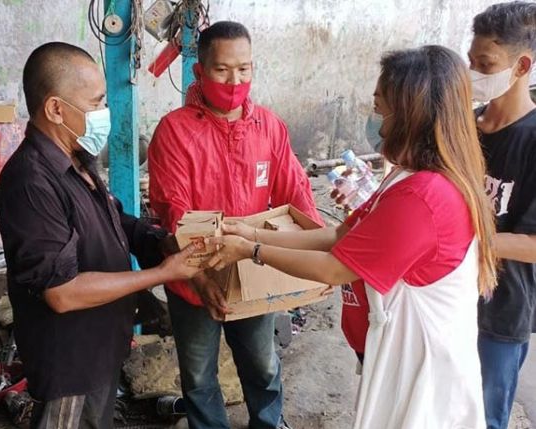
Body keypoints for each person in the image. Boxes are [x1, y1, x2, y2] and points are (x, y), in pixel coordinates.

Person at [207, 45, 498, 429]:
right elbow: (339, 236)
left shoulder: (425, 196)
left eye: (381, 110)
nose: (375, 120)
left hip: (422, 368)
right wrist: (253, 231)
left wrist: (251, 249)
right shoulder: (404, 176)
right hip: (392, 353)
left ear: (410, 114)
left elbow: (334, 267)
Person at [0, 42, 201, 429]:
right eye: (97, 102)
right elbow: (62, 292)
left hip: (101, 345)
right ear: (56, 109)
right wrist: (162, 274)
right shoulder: (30, 182)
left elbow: (115, 221)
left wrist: (163, 243)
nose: (105, 113)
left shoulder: (76, 159)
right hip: (70, 360)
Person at [148, 21, 323, 429]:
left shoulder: (269, 127)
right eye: (222, 69)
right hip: (192, 278)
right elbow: (174, 213)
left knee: (263, 365)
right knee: (197, 376)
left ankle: (269, 423)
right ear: (200, 71)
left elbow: (296, 195)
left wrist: (318, 260)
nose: (234, 80)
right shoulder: (175, 131)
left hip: (252, 270)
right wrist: (200, 279)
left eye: (244, 69)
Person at [469, 3, 536, 428]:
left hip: (500, 312)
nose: (473, 72)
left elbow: (532, 245)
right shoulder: (465, 126)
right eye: (470, 61)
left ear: (521, 65)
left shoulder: (531, 142)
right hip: (447, 298)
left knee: (482, 417)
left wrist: (459, 240)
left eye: (485, 64)